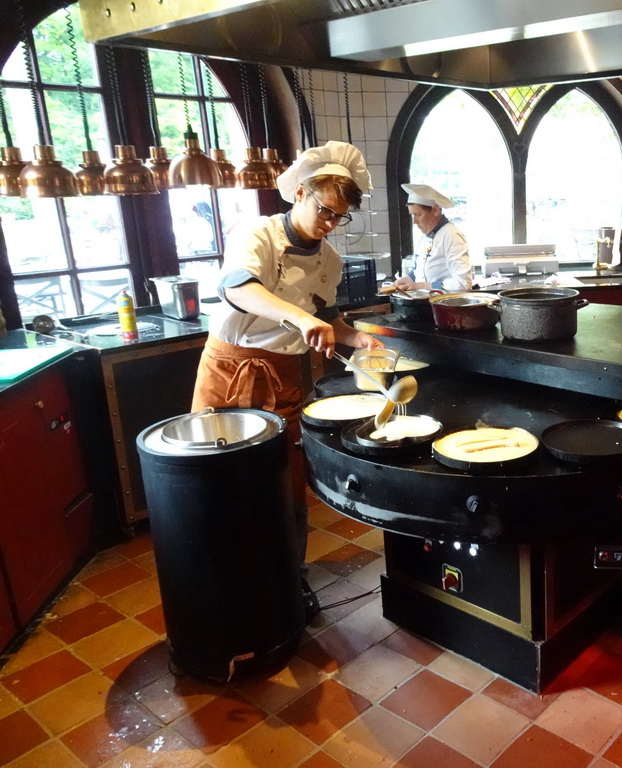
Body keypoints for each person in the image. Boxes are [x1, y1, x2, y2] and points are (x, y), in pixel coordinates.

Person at [191, 141, 383, 615]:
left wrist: (355, 340)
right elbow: (237, 287)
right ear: (299, 193)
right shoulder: (255, 234)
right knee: (223, 483)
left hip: (284, 379)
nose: (330, 224)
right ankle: (224, 585)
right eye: (325, 211)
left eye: (340, 217)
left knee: (284, 484)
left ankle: (286, 580)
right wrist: (298, 320)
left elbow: (329, 319)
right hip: (230, 373)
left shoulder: (329, 261)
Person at [395, 183, 474, 292]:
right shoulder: (424, 236)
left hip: (445, 306)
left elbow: (463, 284)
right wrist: (408, 278)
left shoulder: (452, 235)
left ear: (435, 210)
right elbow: (421, 269)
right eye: (412, 215)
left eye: (418, 215)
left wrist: (423, 286)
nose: (414, 221)